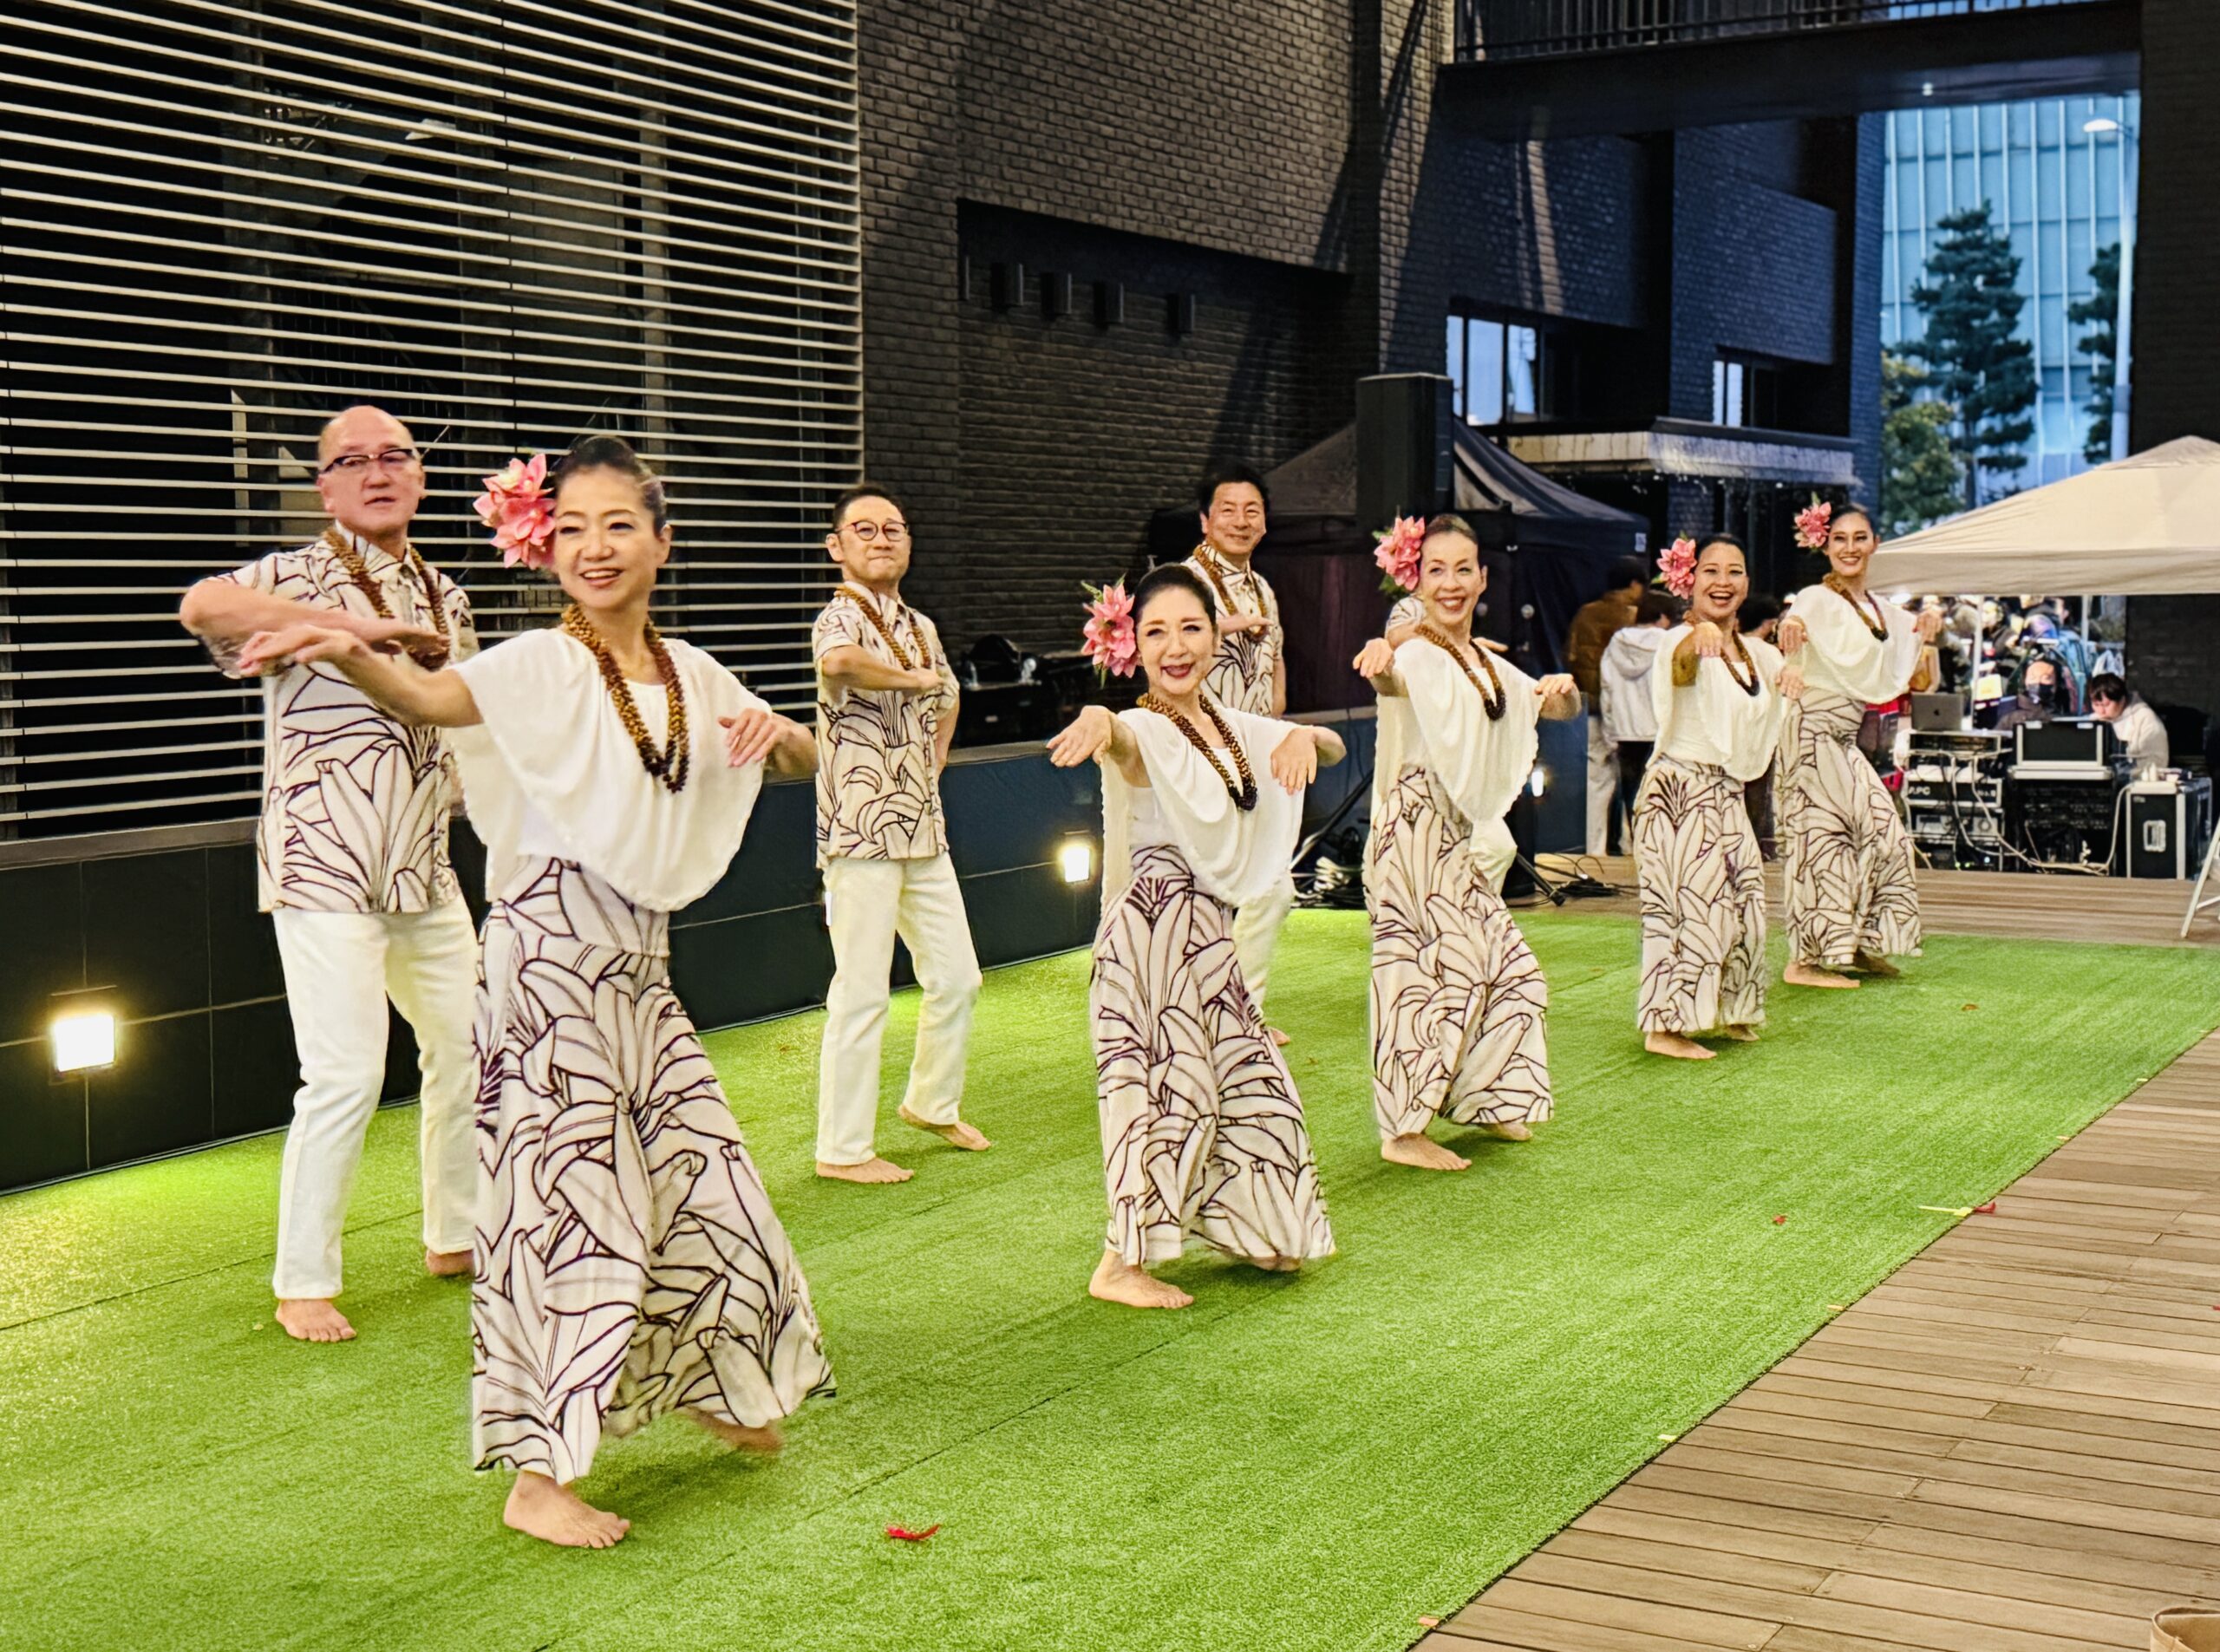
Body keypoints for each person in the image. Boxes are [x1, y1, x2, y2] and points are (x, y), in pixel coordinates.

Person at [235, 435, 833, 1548]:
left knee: (709, 1188)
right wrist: (335, 644)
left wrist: (776, 730)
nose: (592, 547)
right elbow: (424, 694)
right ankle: (537, 1474)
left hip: (638, 979)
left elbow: (799, 757)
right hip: (547, 972)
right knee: (571, 1217)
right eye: (569, 529)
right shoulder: (531, 664)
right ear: (543, 547)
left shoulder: (691, 673)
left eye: (616, 525)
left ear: (663, 541)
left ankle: (707, 1375)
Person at [177, 404, 477, 1346]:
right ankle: (303, 1280)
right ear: (325, 486)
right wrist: (347, 624)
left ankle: (457, 1232)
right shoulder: (292, 572)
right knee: (345, 1071)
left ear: (420, 476)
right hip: (325, 861)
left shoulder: (446, 591)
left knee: (472, 1045)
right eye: (353, 461)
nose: (378, 472)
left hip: (424, 865)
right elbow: (202, 606)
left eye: (396, 456)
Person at [1048, 565, 1343, 1309]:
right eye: (1155, 632)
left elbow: (1328, 746)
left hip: (1206, 938)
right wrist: (1098, 718)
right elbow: (1121, 738)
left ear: (1216, 635)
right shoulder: (1144, 725)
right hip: (1148, 937)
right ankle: (1121, 1260)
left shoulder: (1227, 726)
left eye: (1190, 628)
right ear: (1132, 648)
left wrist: (1308, 736)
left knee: (1253, 1081)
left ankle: (1256, 1223)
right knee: (1166, 1094)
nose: (1176, 647)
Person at [1353, 517, 1577, 1169]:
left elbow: (1542, 706)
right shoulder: (1415, 653)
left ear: (1483, 578)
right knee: (1419, 979)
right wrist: (1379, 658)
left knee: (1513, 971)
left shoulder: (1485, 664)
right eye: (1436, 570)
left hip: (1452, 845)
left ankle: (1488, 1095)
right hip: (1410, 836)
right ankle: (1402, 1129)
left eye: (1462, 569)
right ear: (1416, 581)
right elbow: (1392, 676)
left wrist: (1562, 691)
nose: (1450, 583)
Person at [811, 484, 986, 1185]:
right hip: (859, 830)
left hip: (921, 824)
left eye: (894, 529)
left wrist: (933, 760)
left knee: (958, 977)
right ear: (838, 546)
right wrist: (910, 680)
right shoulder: (837, 616)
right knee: (862, 989)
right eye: (864, 529)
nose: (881, 539)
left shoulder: (920, 624)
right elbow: (839, 665)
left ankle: (930, 1100)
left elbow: (948, 693)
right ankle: (842, 1147)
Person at [1632, 535, 1787, 1060]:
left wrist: (1797, 647)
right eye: (1711, 571)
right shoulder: (1677, 640)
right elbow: (1681, 667)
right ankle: (1666, 1024)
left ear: (1747, 584)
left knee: (1745, 906)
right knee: (1692, 910)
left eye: (1735, 572)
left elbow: (1782, 676)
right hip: (1679, 790)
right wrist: (1696, 634)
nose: (1723, 582)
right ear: (1688, 580)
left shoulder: (1755, 653)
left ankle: (1730, 1009)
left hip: (1725, 794)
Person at [1777, 504, 1941, 989]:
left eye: (1860, 538)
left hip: (1844, 737)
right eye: (1840, 539)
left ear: (1875, 544)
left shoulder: (1877, 609)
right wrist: (1791, 644)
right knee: (1820, 843)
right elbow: (1797, 624)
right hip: (1810, 730)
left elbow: (1912, 634)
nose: (1850, 547)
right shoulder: (1813, 599)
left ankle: (1859, 942)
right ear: (1825, 546)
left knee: (1886, 833)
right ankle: (1803, 960)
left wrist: (1931, 619)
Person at [1183, 464, 1297, 1037]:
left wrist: (1276, 714)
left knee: (1273, 888)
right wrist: (1223, 623)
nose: (1240, 520)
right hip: (1198, 756)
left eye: (1252, 510)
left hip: (1253, 756)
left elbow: (1275, 659)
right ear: (1205, 520)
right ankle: (1200, 1013)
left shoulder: (1263, 585)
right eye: (1228, 509)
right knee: (1203, 894)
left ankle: (1241, 1008)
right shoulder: (1186, 581)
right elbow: (1162, 644)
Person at [1565, 554, 1649, 856]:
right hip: (1631, 715)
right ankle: (1633, 847)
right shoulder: (1635, 617)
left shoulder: (1584, 614)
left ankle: (1595, 851)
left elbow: (1571, 657)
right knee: (1636, 781)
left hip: (1590, 710)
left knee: (1597, 783)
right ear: (1634, 585)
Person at [1599, 588, 1683, 837]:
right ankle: (1658, 847)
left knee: (1631, 793)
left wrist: (1610, 731)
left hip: (1625, 730)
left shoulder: (1616, 643)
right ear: (1663, 617)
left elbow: (1607, 688)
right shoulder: (1670, 643)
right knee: (1660, 795)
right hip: (1660, 731)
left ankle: (1637, 844)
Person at [2090, 671, 2171, 771]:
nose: (2101, 711)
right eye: (2096, 705)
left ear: (2122, 700)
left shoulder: (2146, 719)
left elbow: (2157, 762)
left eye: (2106, 705)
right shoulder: (2094, 720)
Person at [1990, 654, 2068, 740]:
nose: (2038, 682)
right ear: (2024, 682)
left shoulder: (2065, 710)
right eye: (2033, 677)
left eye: (2046, 678)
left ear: (2057, 683)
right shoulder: (2011, 714)